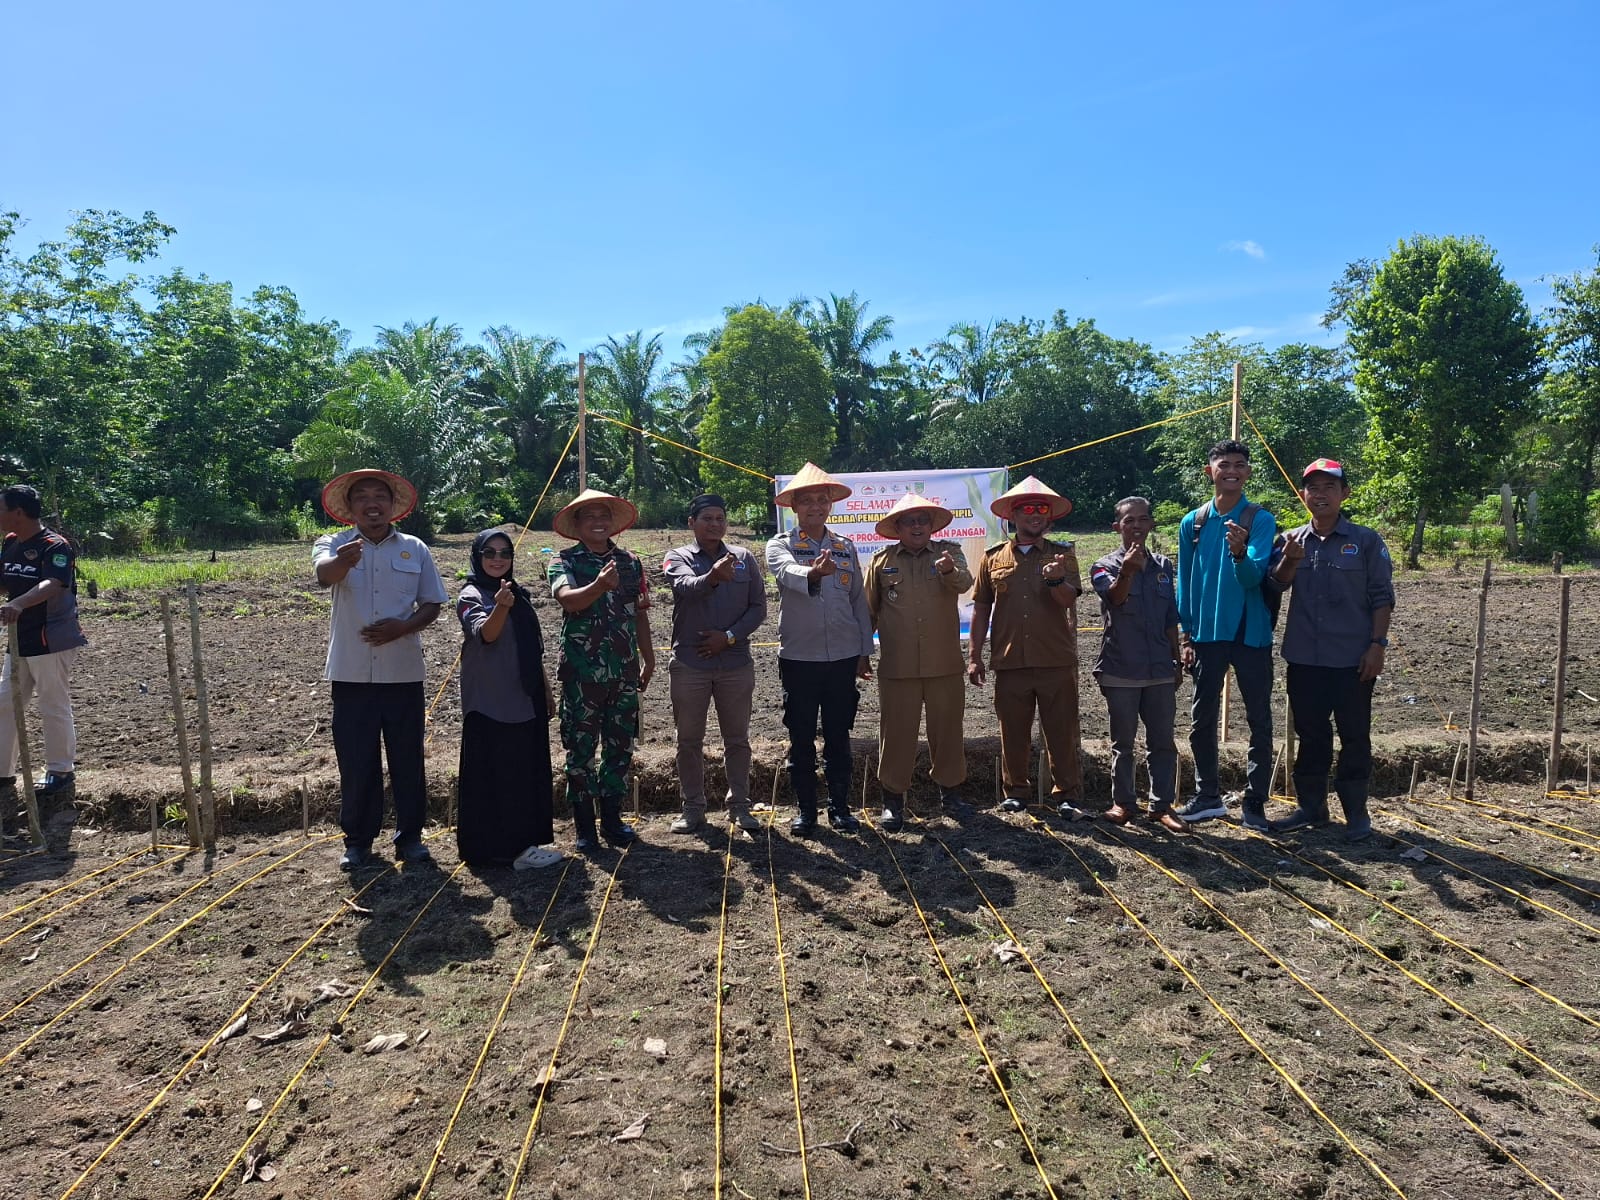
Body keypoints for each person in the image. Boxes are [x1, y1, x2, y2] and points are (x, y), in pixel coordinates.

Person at [314, 468, 447, 869]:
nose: (372, 504)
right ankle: (358, 841)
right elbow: (324, 575)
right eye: (363, 498)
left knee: (408, 758)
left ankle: (410, 838)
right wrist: (343, 562)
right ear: (350, 507)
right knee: (356, 760)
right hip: (351, 673)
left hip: (403, 672)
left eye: (380, 497)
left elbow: (433, 603)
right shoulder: (333, 543)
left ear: (392, 506)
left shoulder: (414, 548)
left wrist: (403, 627)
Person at [1267, 459, 1395, 842]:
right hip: (1305, 656)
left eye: (1329, 487)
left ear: (1345, 494)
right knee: (1310, 733)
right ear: (1303, 494)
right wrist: (1290, 559)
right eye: (1312, 488)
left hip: (1352, 658)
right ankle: (1312, 807)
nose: (1319, 495)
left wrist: (1377, 645)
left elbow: (1382, 598)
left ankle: (1357, 813)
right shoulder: (1291, 540)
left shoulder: (1366, 541)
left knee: (1355, 734)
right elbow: (1277, 586)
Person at [968, 475, 1088, 820]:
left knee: (1061, 731)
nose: (1035, 515)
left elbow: (1067, 601)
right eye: (1027, 510)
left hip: (1054, 661)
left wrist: (1054, 579)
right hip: (1010, 661)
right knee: (1013, 731)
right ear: (1013, 516)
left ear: (1048, 518)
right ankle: (1016, 792)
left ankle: (1066, 793)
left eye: (1041, 510)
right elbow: (980, 609)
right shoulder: (992, 558)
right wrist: (975, 657)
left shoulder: (1063, 556)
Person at [1175, 439, 1278, 831]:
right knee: (1201, 718)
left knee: (1259, 719)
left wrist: (1239, 553)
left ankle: (1255, 801)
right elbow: (1185, 582)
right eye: (1224, 464)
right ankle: (1207, 797)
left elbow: (1254, 577)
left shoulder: (1259, 520)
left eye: (1239, 464)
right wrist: (1187, 633)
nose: (1231, 470)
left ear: (1248, 472)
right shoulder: (1194, 522)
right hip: (1206, 635)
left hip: (1250, 634)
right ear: (1210, 471)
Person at [766, 463, 874, 834]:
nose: (815, 506)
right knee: (800, 735)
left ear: (830, 504)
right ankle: (806, 811)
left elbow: (858, 602)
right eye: (807, 501)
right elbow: (784, 572)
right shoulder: (780, 544)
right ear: (794, 507)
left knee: (838, 734)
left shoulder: (845, 546)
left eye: (821, 500)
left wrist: (864, 650)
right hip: (800, 658)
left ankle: (840, 808)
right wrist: (812, 573)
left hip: (843, 657)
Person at [548, 488, 654, 852]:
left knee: (619, 747)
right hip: (582, 676)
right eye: (588, 515)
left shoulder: (630, 563)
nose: (597, 521)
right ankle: (584, 828)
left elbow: (639, 612)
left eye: (603, 515)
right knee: (579, 750)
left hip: (623, 672)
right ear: (576, 524)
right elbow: (567, 600)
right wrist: (597, 586)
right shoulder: (563, 562)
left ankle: (612, 820)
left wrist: (648, 657)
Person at [864, 492, 972, 831]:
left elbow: (966, 583)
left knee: (948, 732)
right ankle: (893, 801)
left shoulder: (949, 553)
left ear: (931, 525)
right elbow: (868, 611)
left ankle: (951, 795)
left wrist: (949, 571)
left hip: (945, 665)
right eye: (909, 521)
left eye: (923, 520)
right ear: (897, 527)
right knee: (896, 734)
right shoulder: (881, 562)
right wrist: (861, 654)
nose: (917, 526)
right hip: (898, 667)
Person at [455, 529, 562, 869]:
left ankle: (523, 846)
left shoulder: (521, 594)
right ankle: (498, 850)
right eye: (490, 552)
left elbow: (534, 648)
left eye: (505, 553)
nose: (498, 559)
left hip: (523, 697)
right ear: (478, 556)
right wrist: (500, 607)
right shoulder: (471, 594)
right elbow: (486, 634)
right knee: (493, 774)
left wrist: (544, 689)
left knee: (523, 773)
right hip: (490, 702)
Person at [661, 494, 767, 834]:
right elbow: (684, 587)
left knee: (737, 739)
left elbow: (758, 607)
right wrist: (712, 578)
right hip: (690, 665)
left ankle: (740, 806)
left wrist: (730, 636)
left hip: (735, 663)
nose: (715, 524)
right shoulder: (677, 557)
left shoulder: (744, 557)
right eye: (707, 518)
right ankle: (693, 809)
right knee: (688, 740)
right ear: (691, 522)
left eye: (720, 518)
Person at [1089, 497, 1185, 832]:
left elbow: (1170, 617)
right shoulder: (1102, 565)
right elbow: (1114, 598)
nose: (1137, 527)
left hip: (1159, 667)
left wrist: (1176, 658)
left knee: (1162, 742)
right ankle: (1123, 803)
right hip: (1121, 667)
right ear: (1117, 527)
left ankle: (1161, 806)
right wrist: (1128, 571)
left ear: (1151, 525)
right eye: (1129, 521)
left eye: (1143, 520)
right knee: (1123, 743)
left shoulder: (1163, 566)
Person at [0, 484, 89, 838]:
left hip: (51, 637)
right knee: (6, 703)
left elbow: (54, 583)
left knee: (52, 704)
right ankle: (3, 775)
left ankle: (60, 772)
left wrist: (19, 604)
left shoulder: (56, 546)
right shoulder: (10, 542)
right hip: (19, 641)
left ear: (18, 512)